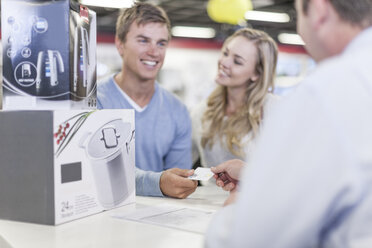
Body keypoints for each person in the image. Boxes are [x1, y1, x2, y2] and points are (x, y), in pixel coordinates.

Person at [206, 0, 372, 247]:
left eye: (297, 14)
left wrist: (232, 211)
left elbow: (253, 236)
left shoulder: (325, 93)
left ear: (318, 10)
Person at [97, 3, 197, 198]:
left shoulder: (177, 111)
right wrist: (158, 183)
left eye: (161, 43)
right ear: (120, 45)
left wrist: (180, 183)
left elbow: (178, 181)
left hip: (159, 218)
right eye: (143, 41)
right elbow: (103, 172)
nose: (154, 52)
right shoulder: (94, 102)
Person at [191, 28, 278, 168]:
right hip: (209, 190)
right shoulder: (202, 111)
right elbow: (180, 162)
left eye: (237, 61)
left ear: (256, 73)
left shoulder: (274, 110)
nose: (224, 62)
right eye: (225, 53)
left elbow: (293, 169)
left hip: (258, 190)